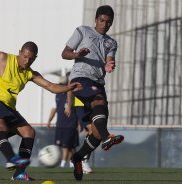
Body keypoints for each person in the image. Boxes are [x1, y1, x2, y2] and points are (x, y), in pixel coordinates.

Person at [0, 41, 82, 181]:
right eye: (25, 56)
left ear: (35, 58)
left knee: (29, 132)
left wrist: (69, 88)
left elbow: (51, 86)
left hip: (8, 107)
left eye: (31, 58)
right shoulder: (2, 58)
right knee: (1, 127)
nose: (27, 60)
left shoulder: (30, 74)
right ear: (20, 52)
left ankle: (19, 173)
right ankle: (12, 158)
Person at [61, 5, 124, 180]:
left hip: (98, 82)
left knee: (96, 130)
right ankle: (107, 138)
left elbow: (109, 58)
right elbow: (64, 53)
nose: (104, 24)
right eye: (102, 20)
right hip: (80, 78)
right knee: (98, 102)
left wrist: (109, 63)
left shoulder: (111, 42)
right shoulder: (82, 31)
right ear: (95, 19)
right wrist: (77, 54)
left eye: (108, 22)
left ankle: (78, 157)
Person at [47, 75, 79, 168]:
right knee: (69, 147)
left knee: (66, 146)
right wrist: (49, 120)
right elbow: (54, 108)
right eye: (60, 84)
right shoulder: (57, 95)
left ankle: (63, 164)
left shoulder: (73, 95)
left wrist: (79, 123)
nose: (61, 85)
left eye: (63, 84)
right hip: (60, 124)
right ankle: (75, 162)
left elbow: (79, 109)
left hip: (71, 124)